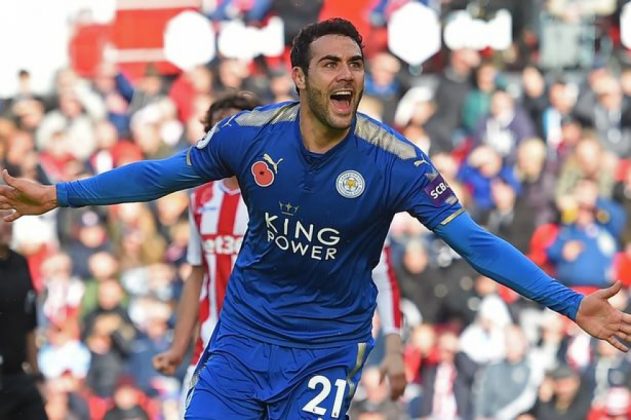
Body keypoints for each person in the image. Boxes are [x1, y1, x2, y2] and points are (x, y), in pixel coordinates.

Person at [1, 18, 631, 419]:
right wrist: (58, 195)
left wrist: (569, 302)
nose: (347, 74)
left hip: (325, 353)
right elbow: (158, 175)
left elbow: (473, 241)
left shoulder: (395, 162)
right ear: (300, 77)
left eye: (355, 64)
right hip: (242, 340)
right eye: (331, 63)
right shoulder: (250, 134)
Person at [150, 91, 406, 414]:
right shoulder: (200, 199)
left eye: (236, 126)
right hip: (215, 349)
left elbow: (380, 273)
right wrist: (178, 346)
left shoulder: (287, 190)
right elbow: (197, 274)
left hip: (287, 351)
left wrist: (393, 346)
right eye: (218, 128)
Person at [0, 210, 47, 419]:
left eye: (8, 216)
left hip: (17, 375)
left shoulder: (20, 262)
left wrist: (36, 376)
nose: (7, 223)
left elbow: (29, 323)